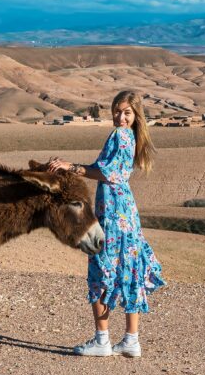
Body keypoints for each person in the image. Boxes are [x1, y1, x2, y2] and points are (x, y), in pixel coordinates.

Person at [47, 90, 165, 358]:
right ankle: (131, 340)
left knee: (102, 269)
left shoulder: (120, 136)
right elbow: (105, 169)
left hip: (112, 213)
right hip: (126, 211)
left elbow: (108, 173)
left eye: (127, 113)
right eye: (117, 111)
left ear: (136, 116)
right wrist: (74, 167)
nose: (120, 117)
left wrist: (72, 167)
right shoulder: (132, 137)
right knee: (128, 268)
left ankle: (102, 340)